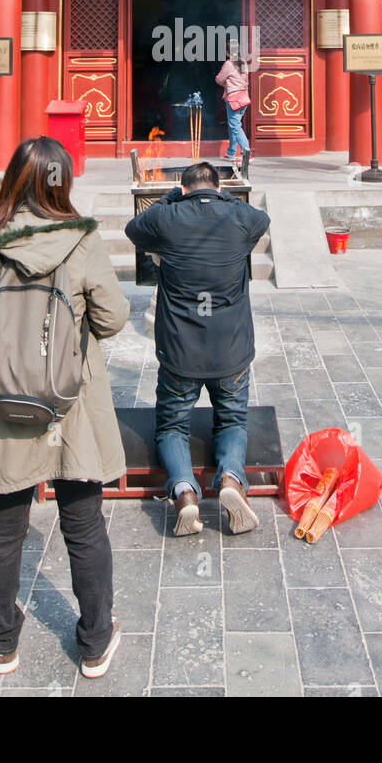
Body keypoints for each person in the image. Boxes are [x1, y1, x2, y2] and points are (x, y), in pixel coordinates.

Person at [0, 136, 129, 678]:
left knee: (3, 526)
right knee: (84, 524)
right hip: (70, 404)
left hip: (0, 401)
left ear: (12, 179)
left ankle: (0, 639)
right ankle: (94, 642)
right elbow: (112, 321)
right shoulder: (83, 242)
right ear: (64, 182)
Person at [124, 161, 270, 538]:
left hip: (180, 351)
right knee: (232, 420)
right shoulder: (238, 220)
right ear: (218, 188)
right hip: (231, 349)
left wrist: (173, 196)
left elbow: (133, 228)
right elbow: (259, 217)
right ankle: (231, 482)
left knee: (172, 426)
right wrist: (220, 198)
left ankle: (185, 492)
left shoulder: (167, 219)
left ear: (184, 188)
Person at [215, 47, 251, 162]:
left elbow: (219, 79)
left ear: (227, 52)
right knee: (234, 125)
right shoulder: (243, 62)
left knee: (235, 126)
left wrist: (226, 83)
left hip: (234, 98)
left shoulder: (228, 64)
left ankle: (246, 154)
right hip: (243, 97)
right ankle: (231, 153)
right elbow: (245, 81)